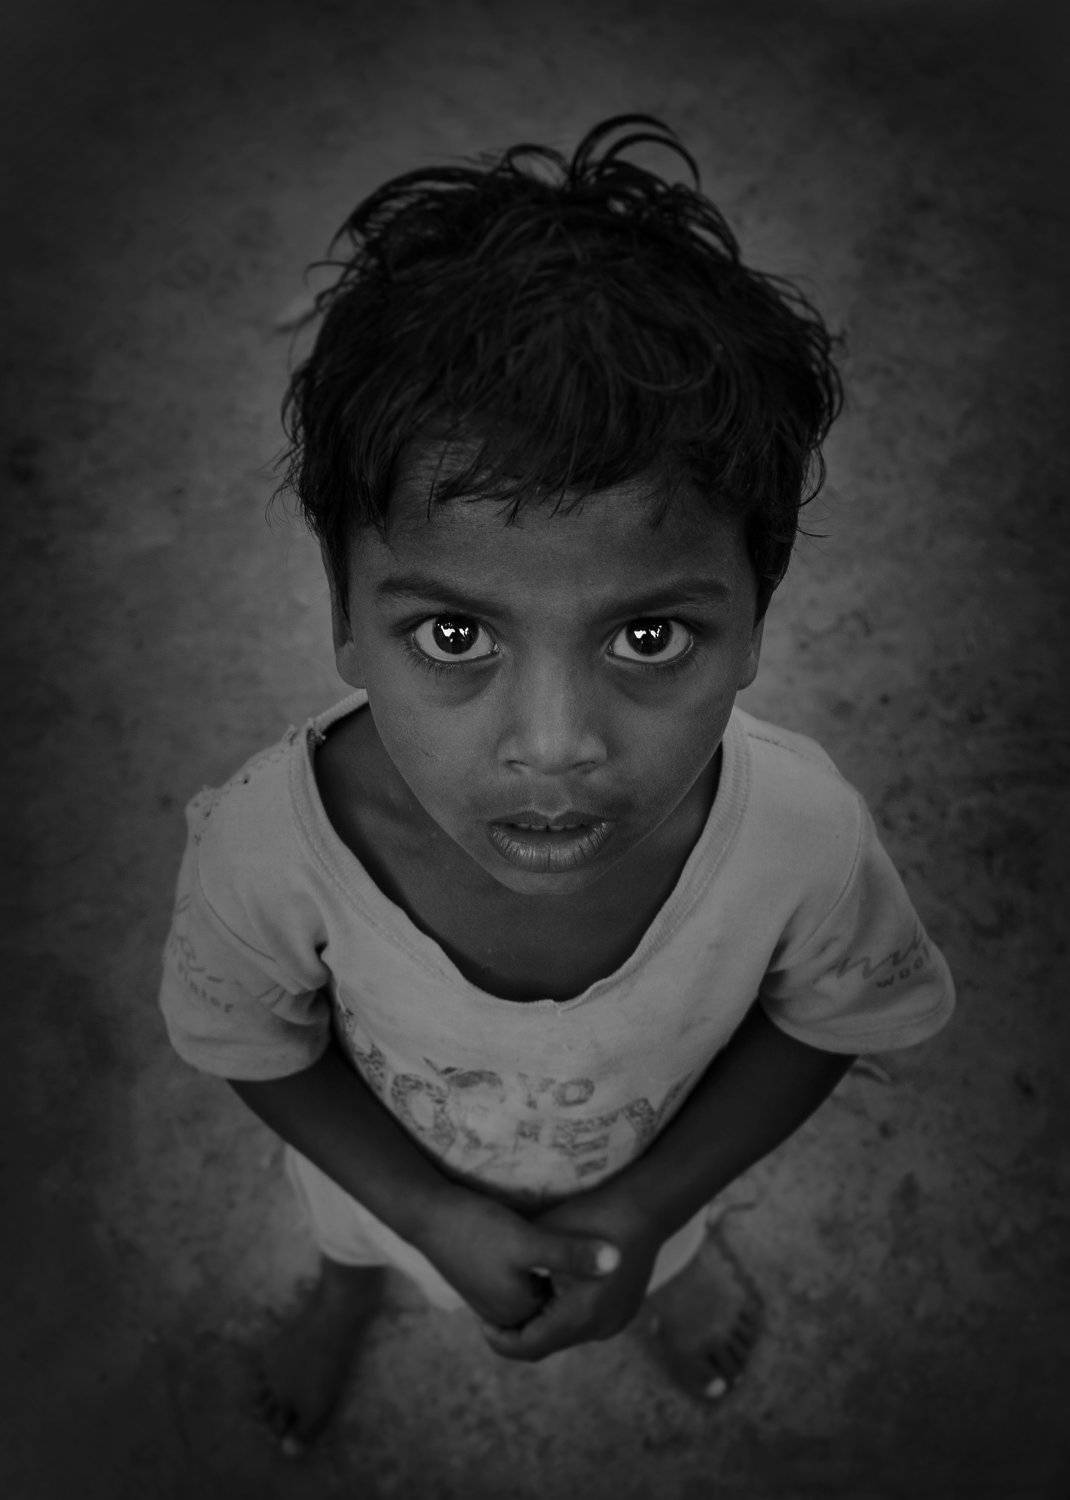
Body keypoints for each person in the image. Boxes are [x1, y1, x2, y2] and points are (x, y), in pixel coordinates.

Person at [158, 113, 955, 1456]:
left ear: (756, 621)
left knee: (656, 1242)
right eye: (452, 633)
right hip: (376, 1187)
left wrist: (647, 1210)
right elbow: (255, 1043)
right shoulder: (265, 844)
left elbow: (830, 1016)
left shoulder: (801, 835)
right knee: (351, 1239)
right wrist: (426, 1213)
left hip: (650, 1174)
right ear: (343, 617)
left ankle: (671, 1259)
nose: (553, 745)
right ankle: (350, 1288)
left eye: (646, 636)